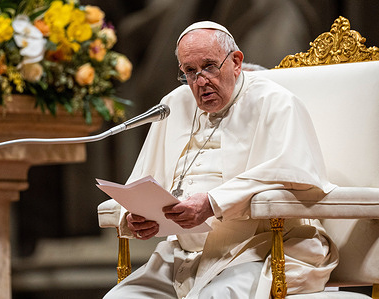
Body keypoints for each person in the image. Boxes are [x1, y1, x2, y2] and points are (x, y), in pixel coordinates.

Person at [104, 21, 338, 299]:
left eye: (210, 66)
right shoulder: (174, 104)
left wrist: (213, 202)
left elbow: (295, 172)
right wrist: (136, 217)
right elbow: (142, 181)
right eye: (189, 71)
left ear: (236, 62)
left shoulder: (277, 102)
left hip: (260, 248)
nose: (200, 81)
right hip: (183, 254)